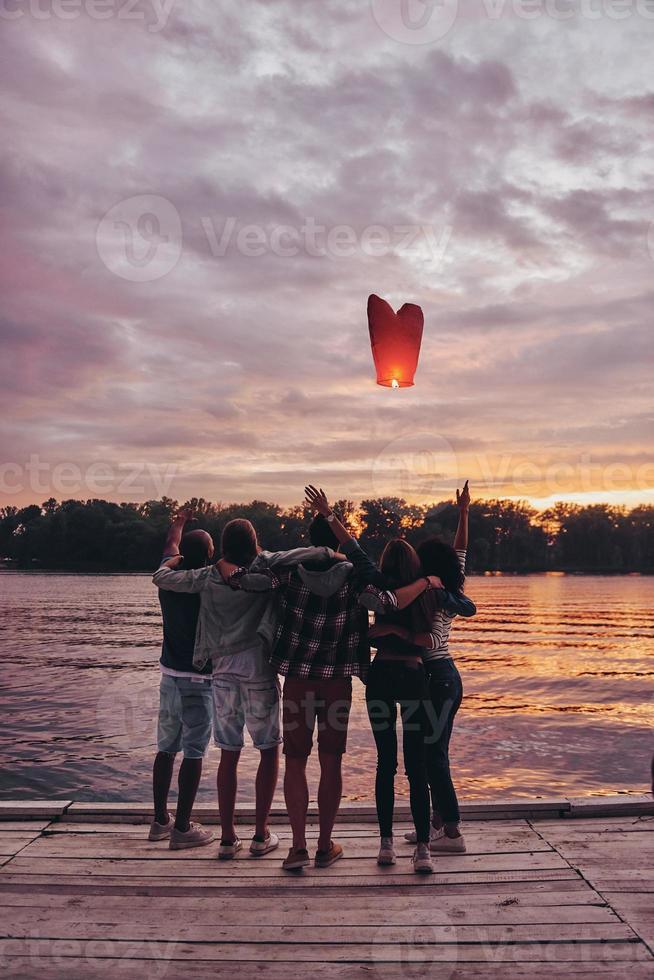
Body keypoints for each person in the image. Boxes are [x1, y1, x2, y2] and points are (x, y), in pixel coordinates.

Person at [231, 487, 457, 873]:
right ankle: (325, 845)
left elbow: (247, 577)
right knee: (332, 760)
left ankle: (298, 846)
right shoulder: (356, 579)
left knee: (297, 761)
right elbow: (383, 601)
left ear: (308, 540)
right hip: (337, 682)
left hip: (299, 680)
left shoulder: (287, 572)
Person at [305, 486, 476, 874]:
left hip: (381, 678)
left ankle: (385, 847)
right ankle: (424, 853)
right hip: (417, 679)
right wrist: (464, 514)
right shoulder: (432, 591)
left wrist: (329, 514)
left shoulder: (378, 582)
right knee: (418, 766)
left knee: (385, 763)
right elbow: (459, 588)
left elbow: (352, 548)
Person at [153, 516, 336, 860]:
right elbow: (308, 554)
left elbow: (162, 577)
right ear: (254, 544)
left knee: (229, 753)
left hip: (221, 672)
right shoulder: (264, 568)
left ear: (222, 548)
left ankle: (226, 838)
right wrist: (336, 553)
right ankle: (260, 834)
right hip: (258, 670)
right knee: (268, 750)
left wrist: (177, 557)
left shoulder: (208, 576)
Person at [404, 480, 472, 853]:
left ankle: (453, 832)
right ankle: (435, 825)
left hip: (438, 676)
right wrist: (463, 512)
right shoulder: (448, 583)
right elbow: (460, 549)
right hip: (446, 677)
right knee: (431, 752)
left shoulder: (431, 592)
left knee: (434, 756)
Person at [149, 510, 216, 850]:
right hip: (200, 680)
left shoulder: (166, 576)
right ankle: (183, 828)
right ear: (209, 556)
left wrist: (177, 522)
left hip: (169, 676)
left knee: (165, 749)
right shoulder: (211, 582)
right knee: (193, 752)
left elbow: (170, 543)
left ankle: (160, 820)